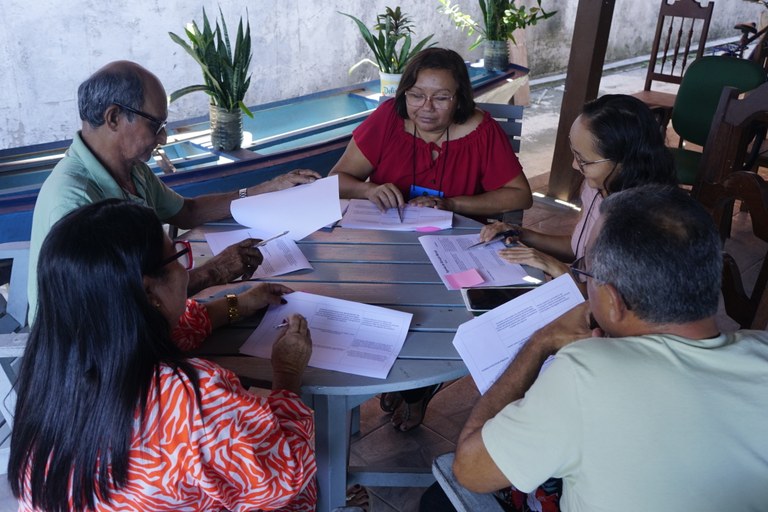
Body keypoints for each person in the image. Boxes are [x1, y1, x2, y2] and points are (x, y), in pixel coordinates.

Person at [453, 185, 768, 511]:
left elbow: (470, 470)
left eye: (587, 273)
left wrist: (541, 340)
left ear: (613, 302)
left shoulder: (585, 373)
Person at [9, 199, 317, 511]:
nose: (187, 271)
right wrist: (288, 374)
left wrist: (238, 304)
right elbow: (283, 477)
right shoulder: (192, 400)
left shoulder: (50, 372)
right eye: (180, 257)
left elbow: (168, 329)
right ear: (148, 292)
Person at [329, 47, 532, 431]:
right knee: (368, 304)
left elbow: (520, 195)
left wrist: (452, 203)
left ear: (459, 99)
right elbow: (338, 178)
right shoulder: (389, 118)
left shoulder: (481, 131)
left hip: (457, 249)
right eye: (417, 94)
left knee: (437, 317)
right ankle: (401, 383)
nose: (427, 107)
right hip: (387, 246)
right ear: (404, 92)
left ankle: (416, 387)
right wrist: (368, 190)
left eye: (441, 97)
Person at [27, 60, 321, 322]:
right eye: (156, 124)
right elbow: (116, 312)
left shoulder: (133, 169)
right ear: (114, 117)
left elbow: (187, 212)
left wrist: (265, 189)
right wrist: (213, 274)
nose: (164, 137)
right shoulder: (73, 202)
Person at [479, 94, 677, 278]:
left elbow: (606, 301)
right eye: (575, 153)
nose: (575, 166)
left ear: (626, 161)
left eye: (584, 160)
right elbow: (579, 248)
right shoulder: (595, 187)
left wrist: (555, 266)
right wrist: (519, 232)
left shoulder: (646, 223)